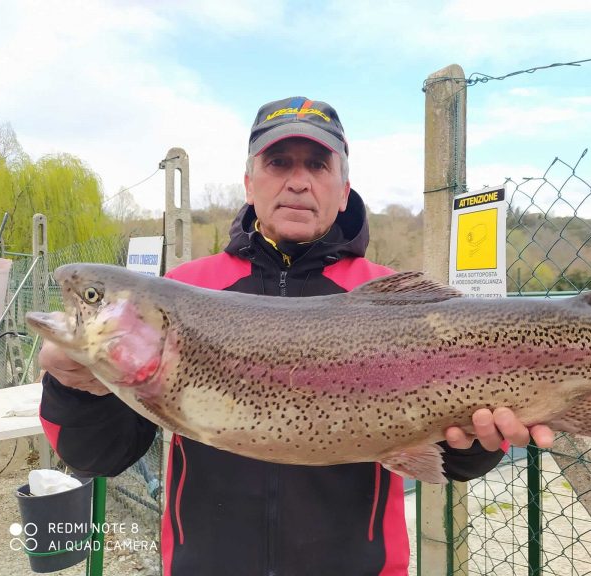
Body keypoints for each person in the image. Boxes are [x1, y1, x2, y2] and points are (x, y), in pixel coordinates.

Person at [39, 97, 554, 576]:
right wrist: (76, 389)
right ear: (249, 182)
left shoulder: (390, 297)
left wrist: (478, 444)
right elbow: (100, 456)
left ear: (343, 188)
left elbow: (448, 451)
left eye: (317, 165)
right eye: (279, 163)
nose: (298, 181)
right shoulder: (182, 291)